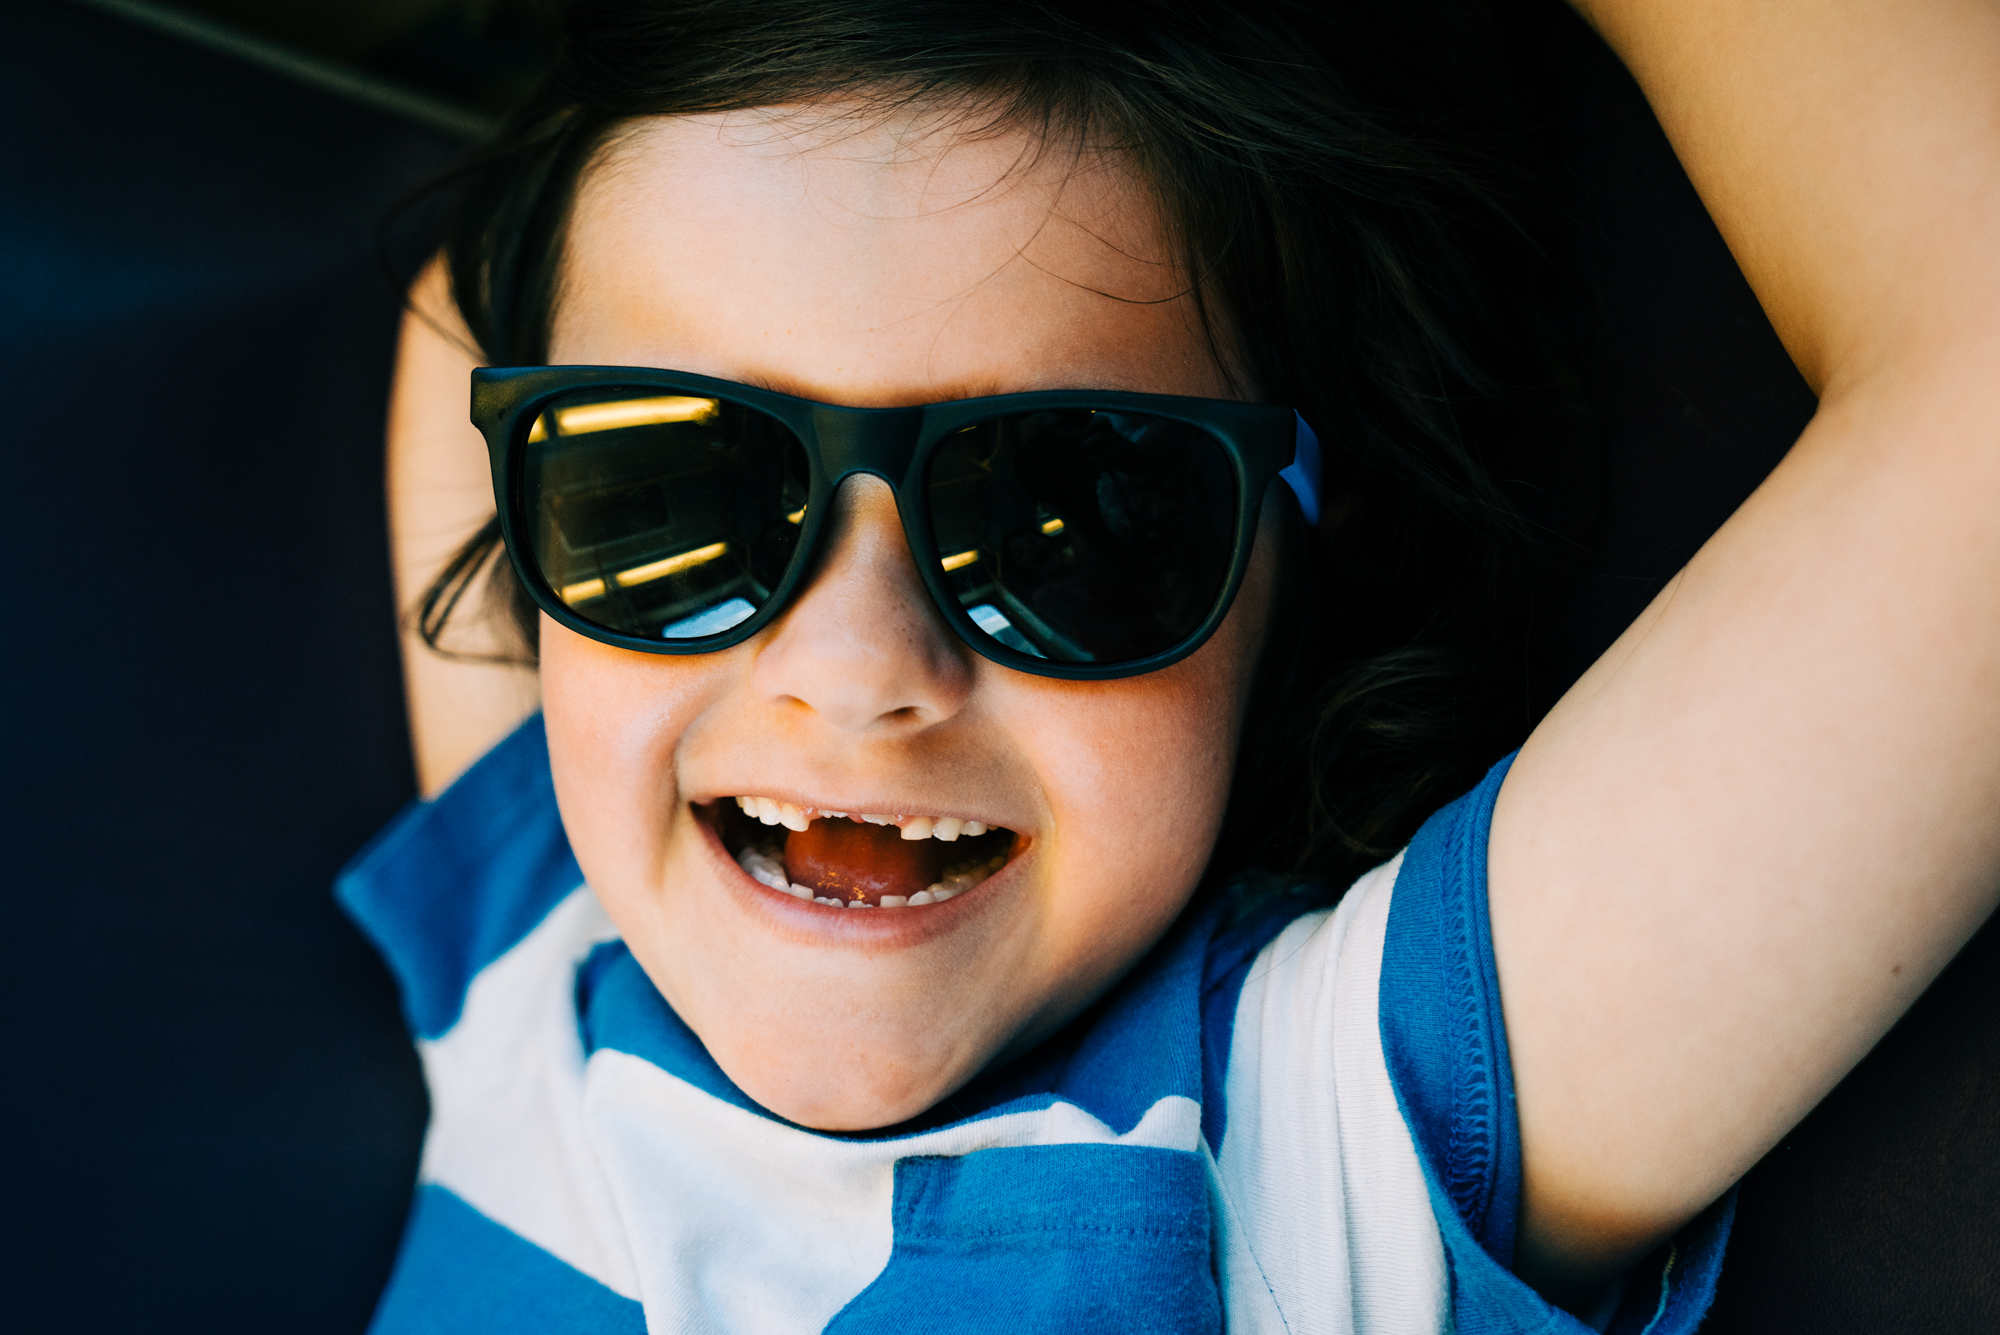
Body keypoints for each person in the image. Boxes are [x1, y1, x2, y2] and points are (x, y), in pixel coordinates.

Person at [349, 0, 2000, 1328]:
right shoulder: (542, 947)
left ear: (1295, 569)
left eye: (1077, 510)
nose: (852, 674)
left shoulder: (1315, 1143)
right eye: (684, 488)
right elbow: (471, 315)